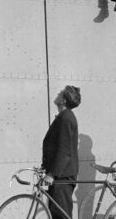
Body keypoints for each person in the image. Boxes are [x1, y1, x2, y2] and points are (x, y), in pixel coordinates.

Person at [40, 86, 81, 219]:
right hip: (61, 174)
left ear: (63, 100)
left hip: (62, 176)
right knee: (57, 213)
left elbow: (64, 151)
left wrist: (52, 174)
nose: (57, 94)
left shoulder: (65, 118)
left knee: (61, 215)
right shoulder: (63, 117)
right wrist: (45, 167)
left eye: (60, 93)